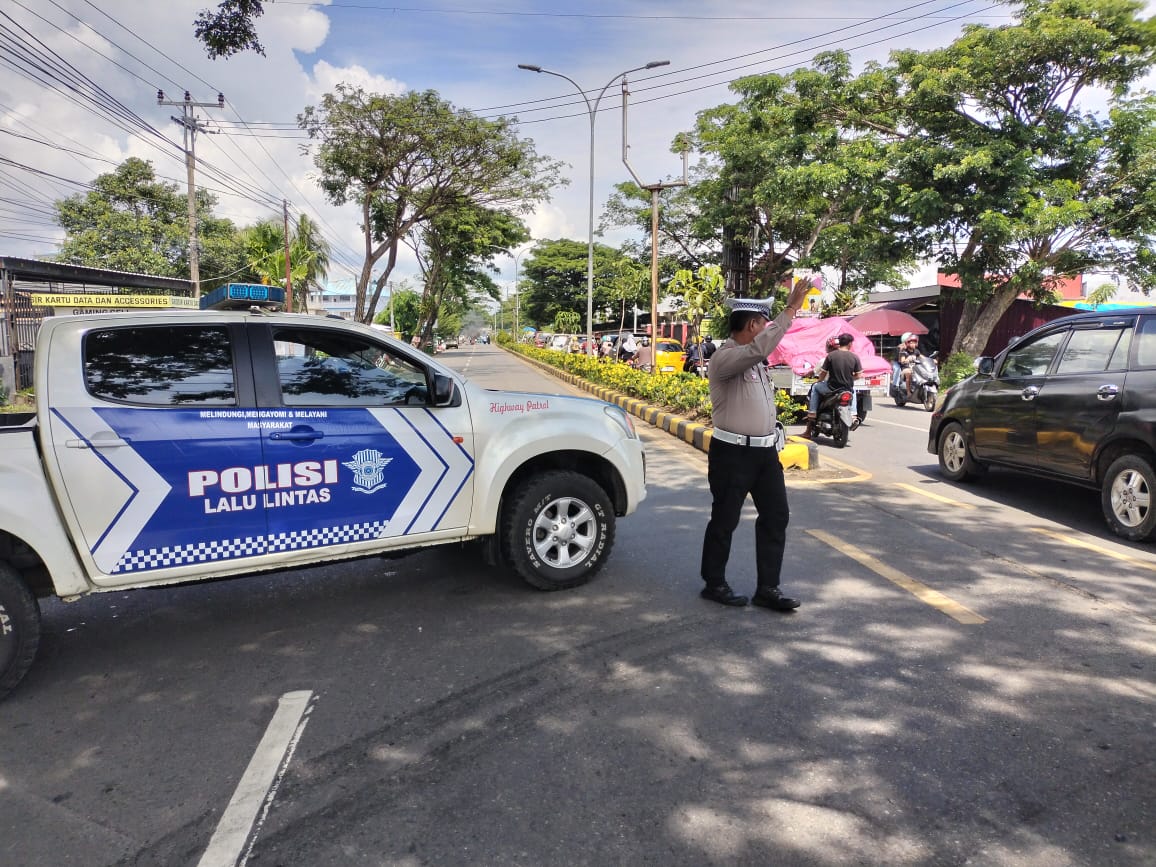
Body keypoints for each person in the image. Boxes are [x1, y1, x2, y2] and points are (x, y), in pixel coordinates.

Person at [699, 282, 810, 611]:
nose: (768, 331)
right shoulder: (727, 357)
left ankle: (768, 589)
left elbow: (759, 353)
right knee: (725, 519)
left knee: (776, 517)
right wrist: (790, 310)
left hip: (765, 455)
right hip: (732, 454)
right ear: (753, 326)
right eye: (764, 324)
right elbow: (759, 349)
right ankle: (714, 583)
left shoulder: (755, 362)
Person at [803, 333, 862, 437]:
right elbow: (858, 375)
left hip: (831, 388)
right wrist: (849, 378)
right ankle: (853, 415)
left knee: (816, 387)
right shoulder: (855, 357)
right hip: (846, 388)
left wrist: (819, 381)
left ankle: (812, 413)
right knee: (853, 390)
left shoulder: (831, 356)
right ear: (850, 344)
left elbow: (823, 373)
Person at [897, 332, 922, 398]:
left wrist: (931, 360)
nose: (913, 344)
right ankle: (908, 392)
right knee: (909, 374)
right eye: (911, 342)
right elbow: (902, 361)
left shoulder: (916, 351)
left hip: (915, 368)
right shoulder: (904, 351)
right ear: (907, 343)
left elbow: (922, 357)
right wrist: (907, 359)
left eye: (914, 342)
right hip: (906, 368)